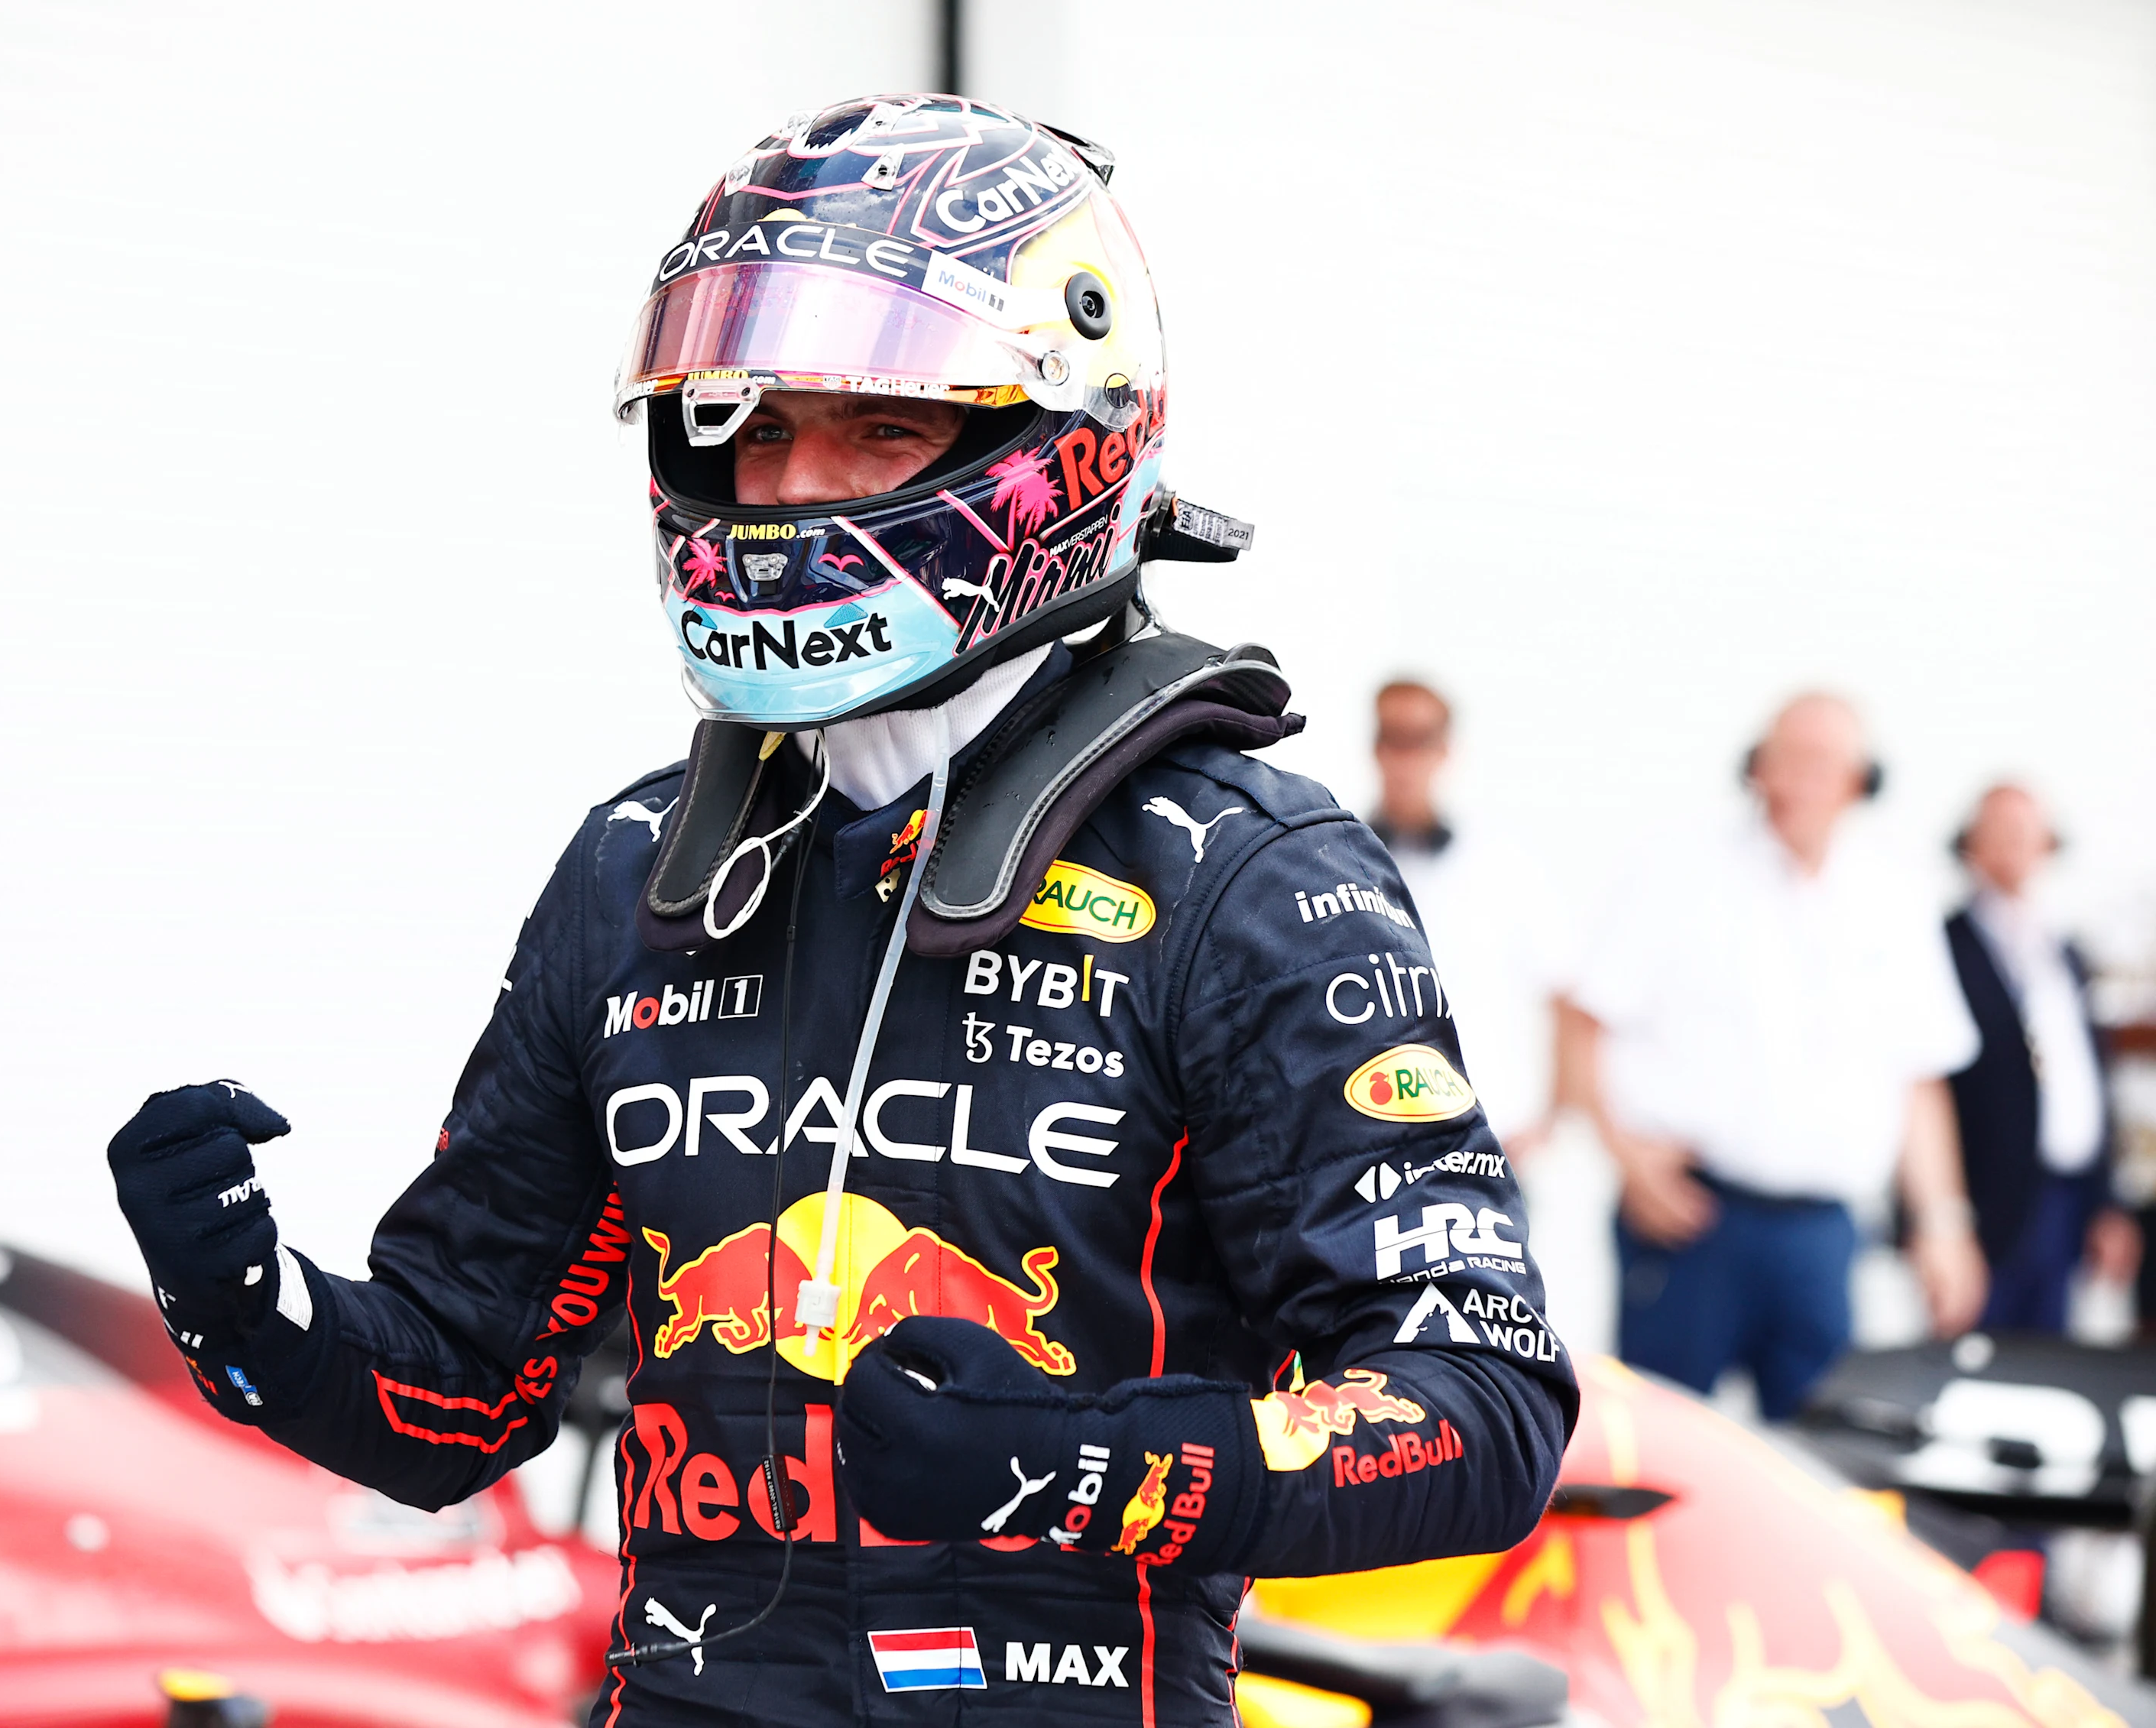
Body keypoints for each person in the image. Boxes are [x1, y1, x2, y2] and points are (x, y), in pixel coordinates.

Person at [105, 96, 1574, 1728]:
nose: (792, 489)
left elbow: (1482, 1408)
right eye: (754, 426)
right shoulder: (633, 868)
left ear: (1061, 440)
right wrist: (248, 1303)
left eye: (877, 429)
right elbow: (452, 1396)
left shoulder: (1247, 876)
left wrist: (1081, 1461)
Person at [1562, 692, 1984, 1421]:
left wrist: (1944, 1225)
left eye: (1817, 763)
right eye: (1780, 760)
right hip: (1693, 1222)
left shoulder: (1896, 896)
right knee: (1661, 1442)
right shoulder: (1678, 871)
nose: (1792, 782)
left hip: (1822, 1236)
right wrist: (1627, 1159)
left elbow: (1918, 1079)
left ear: (1860, 780)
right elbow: (1581, 1024)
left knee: (1821, 1452)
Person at [1945, 783, 2135, 1332]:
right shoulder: (1946, 946)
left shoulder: (2064, 949)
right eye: (2001, 833)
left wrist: (2106, 1203)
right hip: (1988, 1207)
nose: (2016, 848)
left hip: (2065, 1202)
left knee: (2050, 1356)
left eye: (2028, 835)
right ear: (1970, 845)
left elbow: (2093, 1080)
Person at [1367, 679, 1561, 1155]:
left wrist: (1547, 1122)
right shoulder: (1332, 858)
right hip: (1376, 1137)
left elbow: (1561, 995)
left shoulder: (1505, 864)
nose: (1406, 760)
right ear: (1375, 747)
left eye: (1421, 741)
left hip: (1492, 1136)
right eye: (1394, 738)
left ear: (1445, 751)